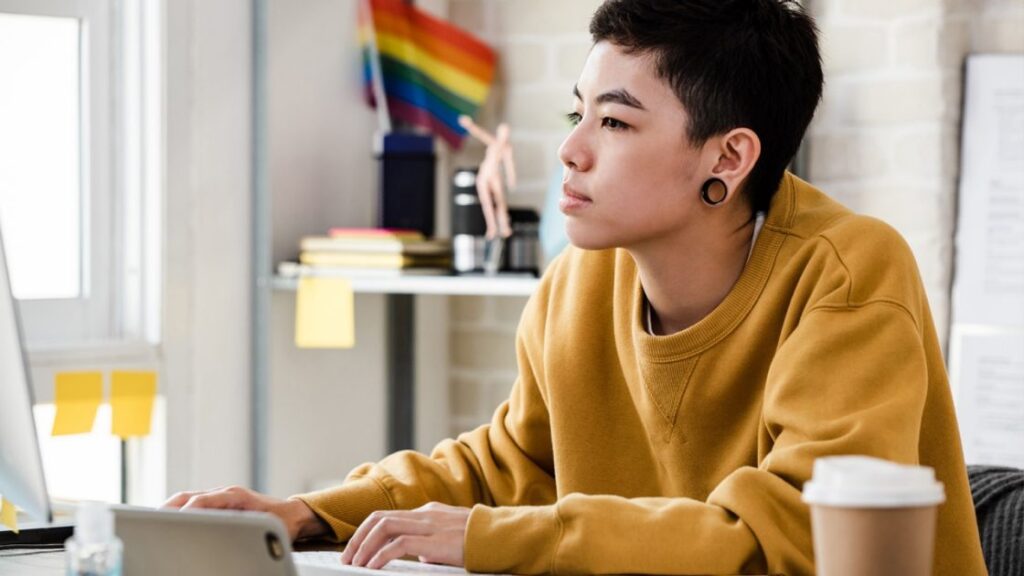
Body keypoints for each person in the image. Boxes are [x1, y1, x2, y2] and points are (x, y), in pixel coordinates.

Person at [164, 1, 988, 573]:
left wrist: (489, 539)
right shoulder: (578, 281)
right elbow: (506, 465)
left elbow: (781, 542)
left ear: (728, 159)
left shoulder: (847, 275)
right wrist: (310, 515)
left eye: (617, 122)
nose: (571, 151)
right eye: (577, 114)